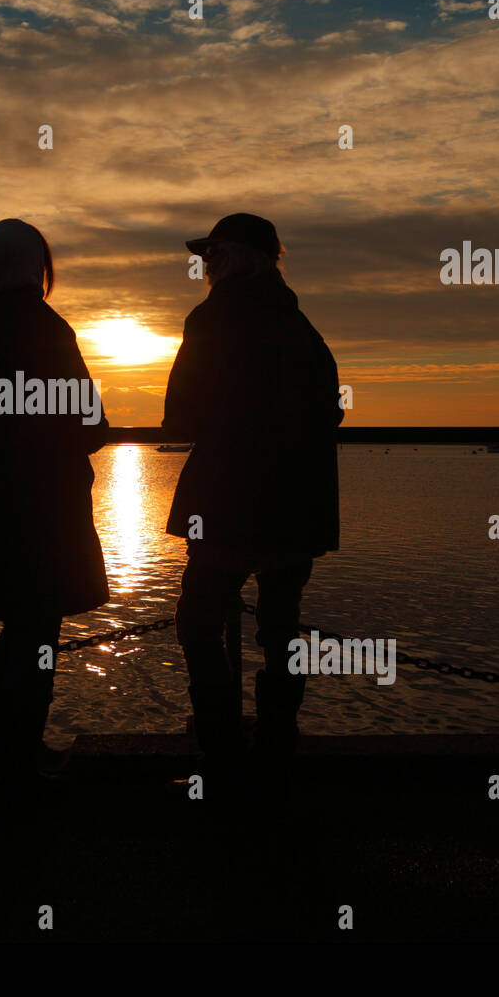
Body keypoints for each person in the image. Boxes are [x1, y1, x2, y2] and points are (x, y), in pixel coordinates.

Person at [163, 213, 342, 781]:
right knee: (281, 628)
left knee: (198, 622)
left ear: (242, 255)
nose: (205, 263)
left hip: (228, 504)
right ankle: (275, 744)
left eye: (213, 253)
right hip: (295, 506)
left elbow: (178, 417)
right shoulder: (302, 326)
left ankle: (219, 743)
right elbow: (332, 410)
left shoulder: (210, 320)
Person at [0, 218, 110, 791]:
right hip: (49, 507)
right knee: (37, 630)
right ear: (36, 269)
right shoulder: (49, 329)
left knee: (22, 625)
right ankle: (5, 753)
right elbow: (91, 424)